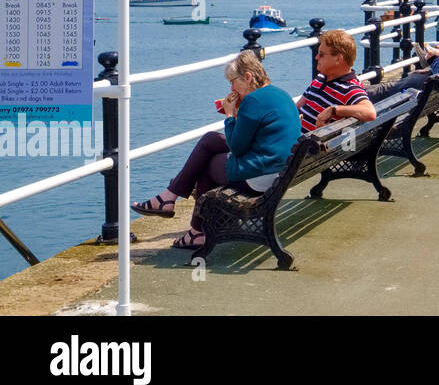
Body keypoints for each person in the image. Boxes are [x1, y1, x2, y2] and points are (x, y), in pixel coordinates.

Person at [130, 52, 300, 249]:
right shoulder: (279, 93)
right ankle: (175, 204)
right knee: (210, 140)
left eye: (233, 81)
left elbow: (237, 146)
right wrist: (238, 114)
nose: (231, 88)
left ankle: (191, 225)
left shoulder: (253, 101)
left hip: (261, 175)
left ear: (248, 77)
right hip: (280, 169)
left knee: (207, 165)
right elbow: (255, 136)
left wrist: (230, 115)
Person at [300, 28, 378, 128]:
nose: (316, 57)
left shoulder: (349, 88)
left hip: (304, 142)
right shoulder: (320, 79)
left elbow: (370, 112)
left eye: (321, 54)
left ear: (338, 59)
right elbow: (298, 107)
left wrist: (334, 110)